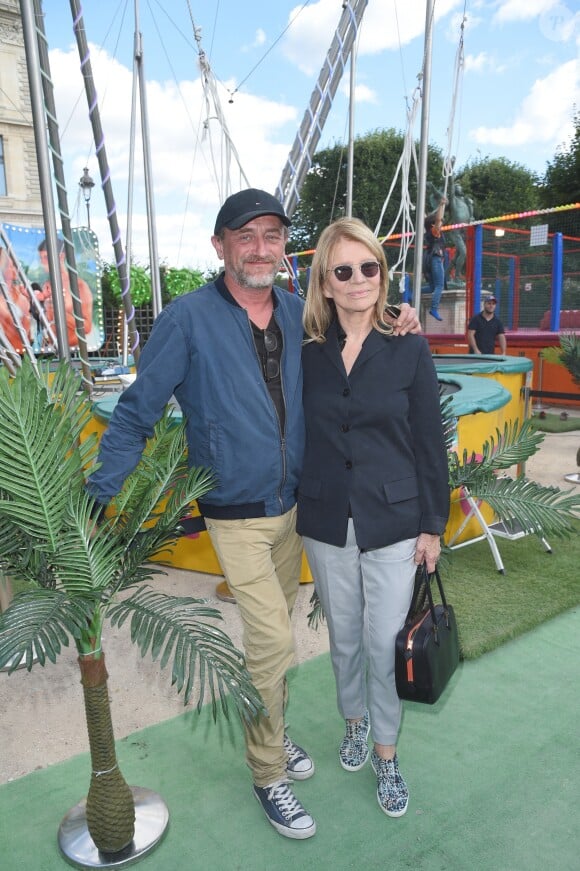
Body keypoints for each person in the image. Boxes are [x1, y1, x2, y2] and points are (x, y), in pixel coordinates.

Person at [86, 189, 421, 841]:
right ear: (220, 246)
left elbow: (361, 333)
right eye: (247, 235)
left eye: (272, 234)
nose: (262, 246)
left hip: (296, 508)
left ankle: (274, 725)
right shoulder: (185, 320)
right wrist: (98, 495)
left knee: (275, 636)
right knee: (271, 640)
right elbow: (136, 411)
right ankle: (269, 773)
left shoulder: (302, 313)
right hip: (234, 511)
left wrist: (398, 319)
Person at [296, 217, 450, 819]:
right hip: (327, 518)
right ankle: (354, 723)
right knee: (345, 640)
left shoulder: (408, 344)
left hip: (394, 521)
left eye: (370, 268)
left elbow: (428, 442)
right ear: (326, 284)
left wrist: (432, 525)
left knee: (386, 645)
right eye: (344, 270)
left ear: (382, 277)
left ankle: (387, 755)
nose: (359, 279)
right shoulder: (307, 349)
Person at [38, 237, 94, 350]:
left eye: (45, 257)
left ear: (61, 257)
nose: (42, 262)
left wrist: (60, 313)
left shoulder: (79, 285)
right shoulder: (46, 285)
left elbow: (87, 327)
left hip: (73, 350)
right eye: (41, 258)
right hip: (49, 349)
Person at [0, 246, 31, 353]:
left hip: (19, 352)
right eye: (10, 266)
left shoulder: (20, 296)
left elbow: (25, 331)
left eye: (14, 265)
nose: (14, 269)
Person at [423, 196, 447, 321]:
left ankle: (411, 293)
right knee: (439, 286)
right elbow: (438, 218)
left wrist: (441, 206)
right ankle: (434, 308)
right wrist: (442, 205)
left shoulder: (428, 230)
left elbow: (432, 217)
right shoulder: (434, 231)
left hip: (429, 258)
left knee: (432, 287)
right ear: (433, 224)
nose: (441, 223)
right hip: (435, 258)